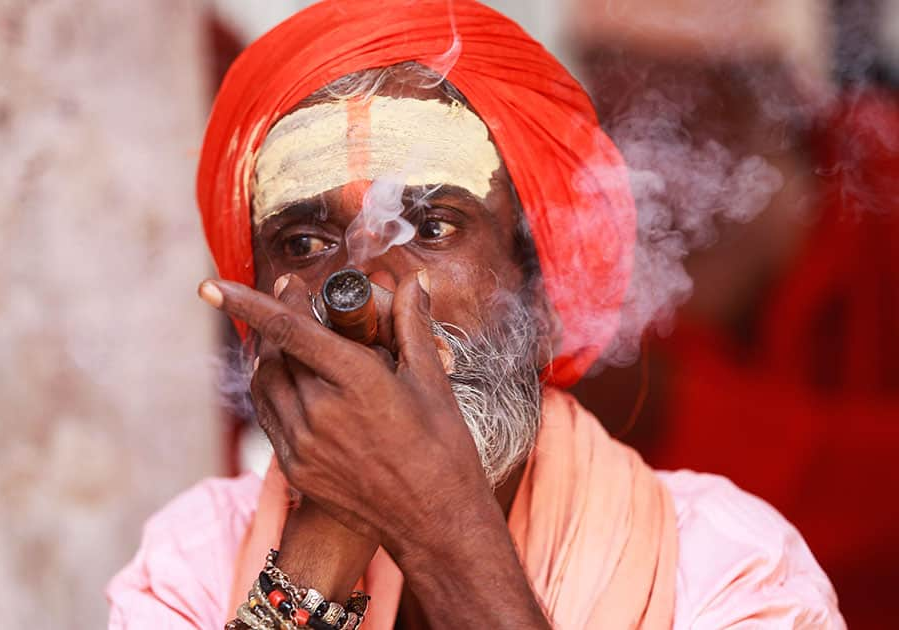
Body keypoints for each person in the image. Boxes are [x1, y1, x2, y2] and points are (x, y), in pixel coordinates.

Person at [107, 1, 845, 628]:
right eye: (305, 241)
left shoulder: (728, 565)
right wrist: (322, 543)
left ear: (543, 296)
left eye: (430, 228)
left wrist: (439, 526)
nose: (362, 283)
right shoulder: (193, 555)